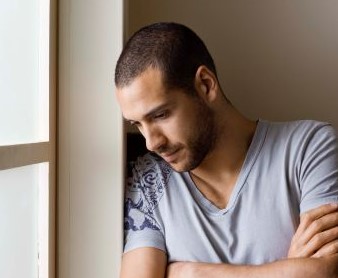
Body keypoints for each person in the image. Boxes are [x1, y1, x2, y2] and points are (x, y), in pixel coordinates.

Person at [115, 22, 338, 277]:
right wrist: (290, 270)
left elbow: (326, 271)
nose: (151, 142)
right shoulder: (148, 181)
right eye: (138, 124)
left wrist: (192, 273)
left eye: (161, 114)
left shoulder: (308, 147)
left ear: (206, 85)